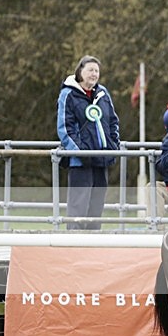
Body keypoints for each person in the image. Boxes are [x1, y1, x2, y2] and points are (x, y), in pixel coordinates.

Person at [56, 55, 120, 230]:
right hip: (80, 161)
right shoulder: (68, 94)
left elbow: (113, 122)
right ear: (80, 71)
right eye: (90, 70)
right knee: (78, 206)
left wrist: (113, 146)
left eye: (97, 71)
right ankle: (74, 245)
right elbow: (65, 128)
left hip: (102, 158)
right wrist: (81, 152)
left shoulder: (103, 93)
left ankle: (93, 245)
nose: (94, 74)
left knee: (96, 206)